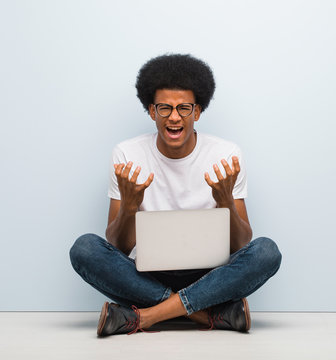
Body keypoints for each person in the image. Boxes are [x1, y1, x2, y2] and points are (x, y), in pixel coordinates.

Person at [69, 54, 282, 337]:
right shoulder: (127, 155)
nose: (174, 116)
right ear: (151, 111)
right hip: (146, 275)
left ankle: (145, 317)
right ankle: (205, 314)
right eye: (164, 108)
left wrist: (226, 201)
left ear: (197, 111)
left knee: (266, 251)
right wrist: (131, 205)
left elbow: (241, 244)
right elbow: (117, 247)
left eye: (184, 108)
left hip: (210, 275)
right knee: (84, 249)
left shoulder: (226, 154)